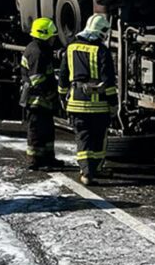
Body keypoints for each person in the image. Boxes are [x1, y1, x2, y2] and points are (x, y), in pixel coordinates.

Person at [58, 14, 118, 185]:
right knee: (99, 138)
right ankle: (94, 170)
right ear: (102, 32)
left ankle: (87, 172)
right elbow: (109, 82)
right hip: (98, 105)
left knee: (83, 138)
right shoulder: (102, 50)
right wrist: (113, 104)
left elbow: (63, 76)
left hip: (76, 102)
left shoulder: (71, 48)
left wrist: (62, 96)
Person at [20, 17, 61, 169]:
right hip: (36, 100)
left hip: (42, 100)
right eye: (51, 36)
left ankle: (48, 158)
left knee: (47, 131)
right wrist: (52, 95)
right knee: (36, 131)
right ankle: (34, 160)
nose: (53, 39)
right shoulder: (36, 52)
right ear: (44, 35)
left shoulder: (40, 49)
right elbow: (37, 80)